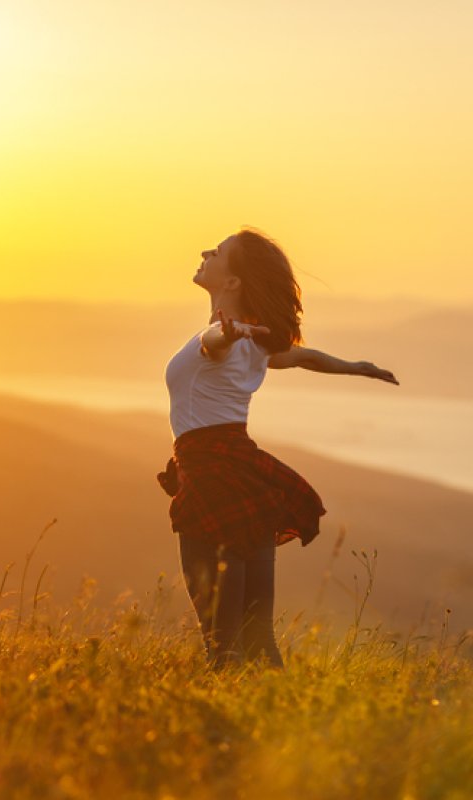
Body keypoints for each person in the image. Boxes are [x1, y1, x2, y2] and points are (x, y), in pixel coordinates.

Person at [156, 228, 398, 670]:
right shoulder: (252, 343)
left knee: (221, 642)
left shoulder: (224, 339)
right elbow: (306, 357)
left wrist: (227, 334)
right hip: (244, 476)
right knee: (257, 635)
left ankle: (231, 730)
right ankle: (280, 715)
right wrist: (356, 368)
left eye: (218, 251)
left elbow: (216, 344)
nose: (206, 253)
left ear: (232, 283)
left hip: (212, 478)